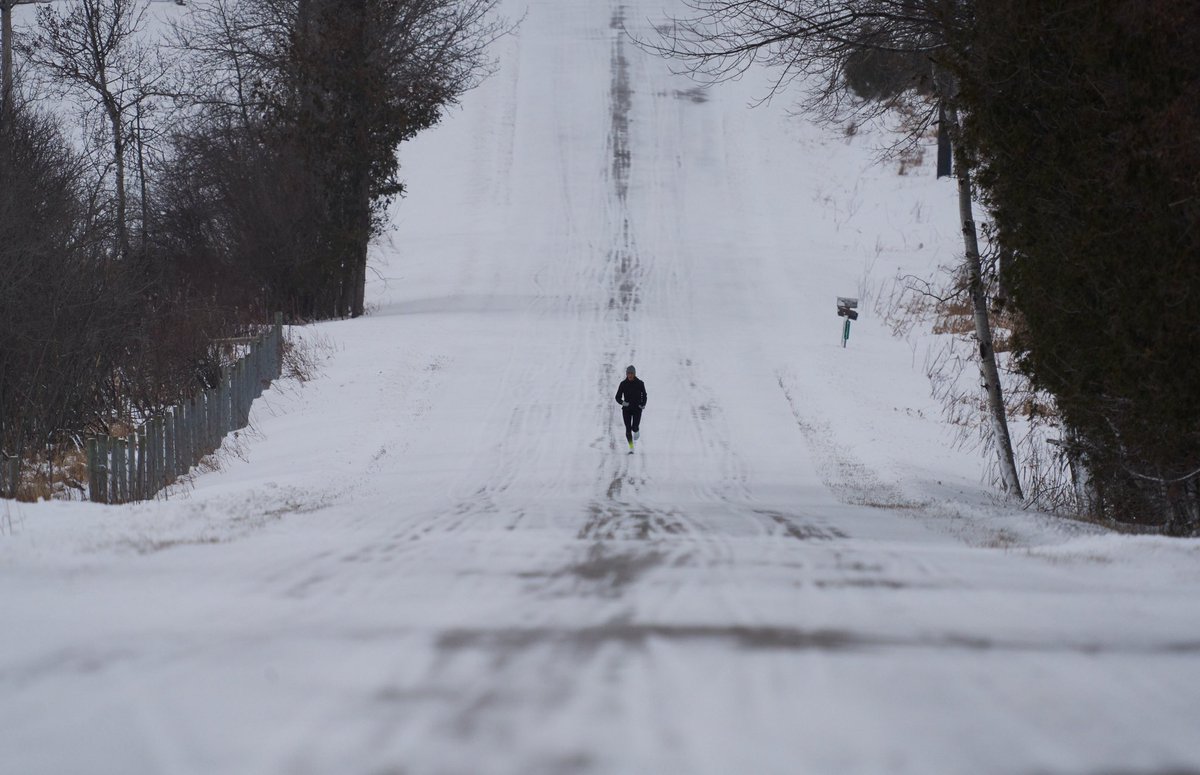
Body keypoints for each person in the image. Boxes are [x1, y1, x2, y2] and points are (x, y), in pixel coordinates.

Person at [614, 365, 647, 452]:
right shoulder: (623, 384)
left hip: (637, 409)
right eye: (628, 373)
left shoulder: (640, 383)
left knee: (634, 427)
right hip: (626, 410)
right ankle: (631, 447)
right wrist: (623, 403)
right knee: (628, 429)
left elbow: (644, 395)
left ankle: (636, 431)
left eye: (631, 373)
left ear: (634, 374)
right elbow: (617, 397)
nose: (630, 375)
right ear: (626, 374)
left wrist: (643, 404)